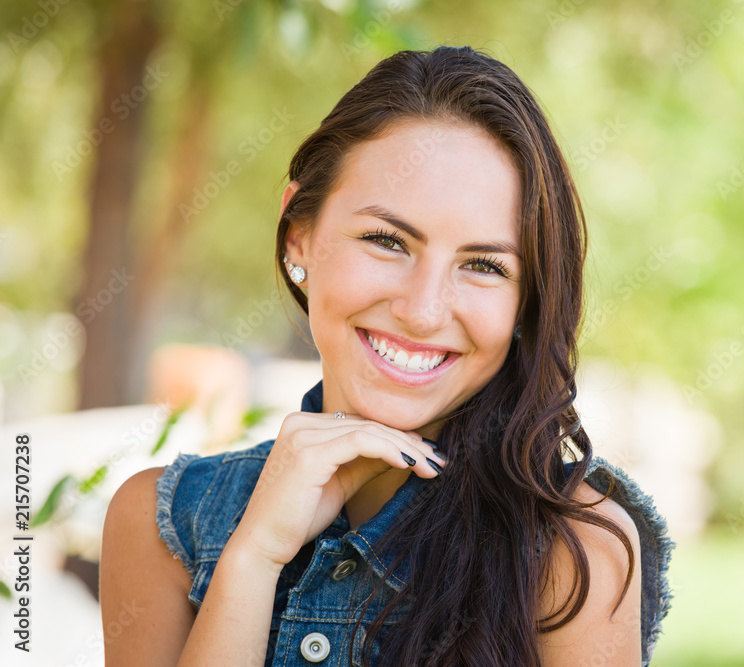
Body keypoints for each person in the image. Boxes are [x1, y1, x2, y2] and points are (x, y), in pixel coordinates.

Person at [99, 45, 673, 666]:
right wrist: (254, 557)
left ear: (525, 302)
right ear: (301, 236)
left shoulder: (573, 550)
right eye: (386, 240)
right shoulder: (162, 525)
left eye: (483, 266)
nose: (424, 311)